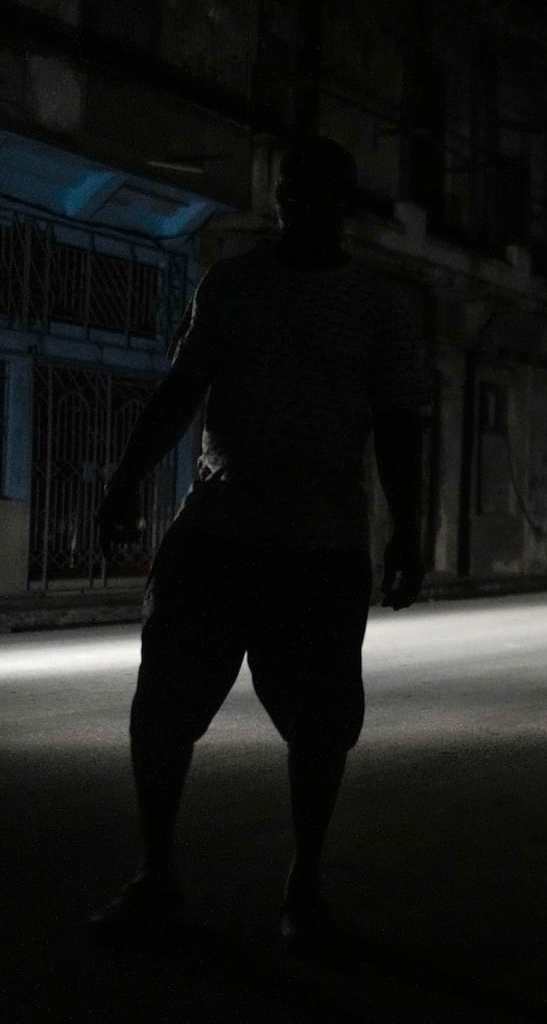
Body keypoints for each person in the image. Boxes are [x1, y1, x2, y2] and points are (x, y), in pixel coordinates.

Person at [89, 136, 430, 951]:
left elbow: (397, 428)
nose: (292, 204)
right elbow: (182, 391)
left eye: (309, 191)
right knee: (162, 708)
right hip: (217, 530)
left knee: (318, 727)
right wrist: (125, 481)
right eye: (285, 190)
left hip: (319, 544)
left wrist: (409, 533)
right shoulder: (233, 284)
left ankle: (304, 887)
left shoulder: (379, 307)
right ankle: (156, 871)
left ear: (338, 204)